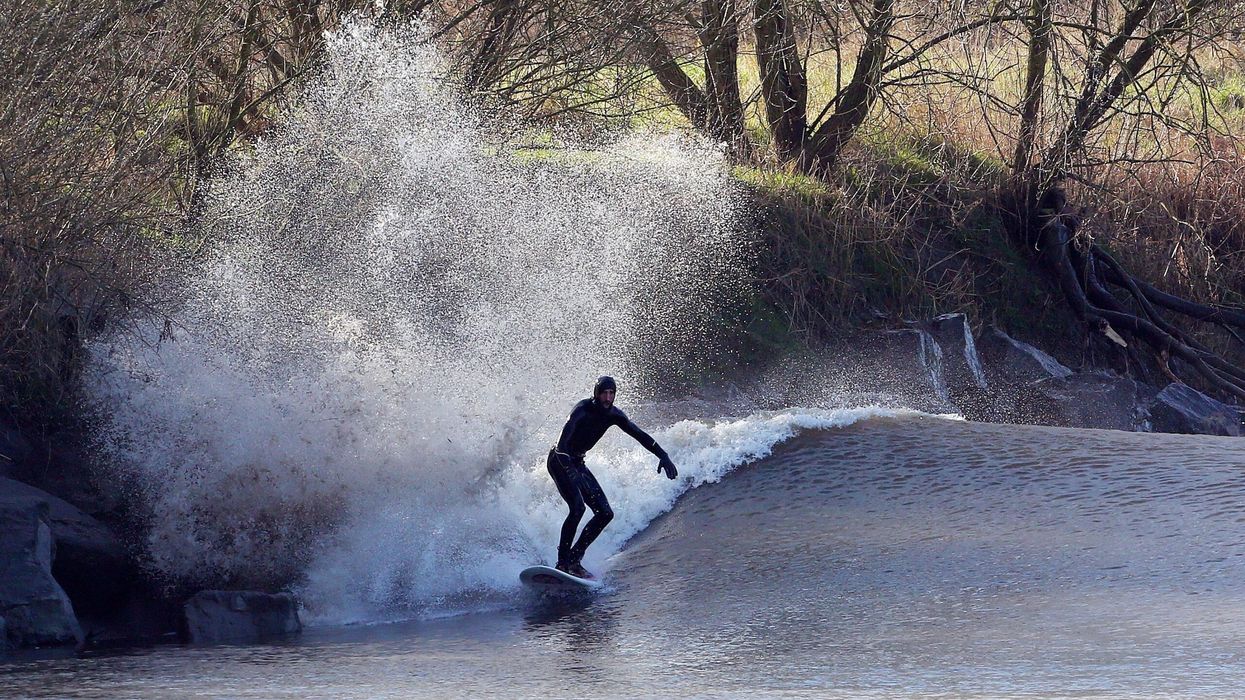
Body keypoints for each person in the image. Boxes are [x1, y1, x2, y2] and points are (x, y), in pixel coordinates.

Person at [547, 375, 678, 579]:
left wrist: (663, 455)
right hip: (559, 460)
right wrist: (569, 469)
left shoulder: (614, 415)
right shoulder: (581, 410)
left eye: (612, 393)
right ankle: (562, 563)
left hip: (578, 462)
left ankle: (574, 560)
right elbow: (561, 444)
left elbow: (639, 434)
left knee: (605, 513)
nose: (608, 398)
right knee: (578, 507)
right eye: (604, 393)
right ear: (596, 393)